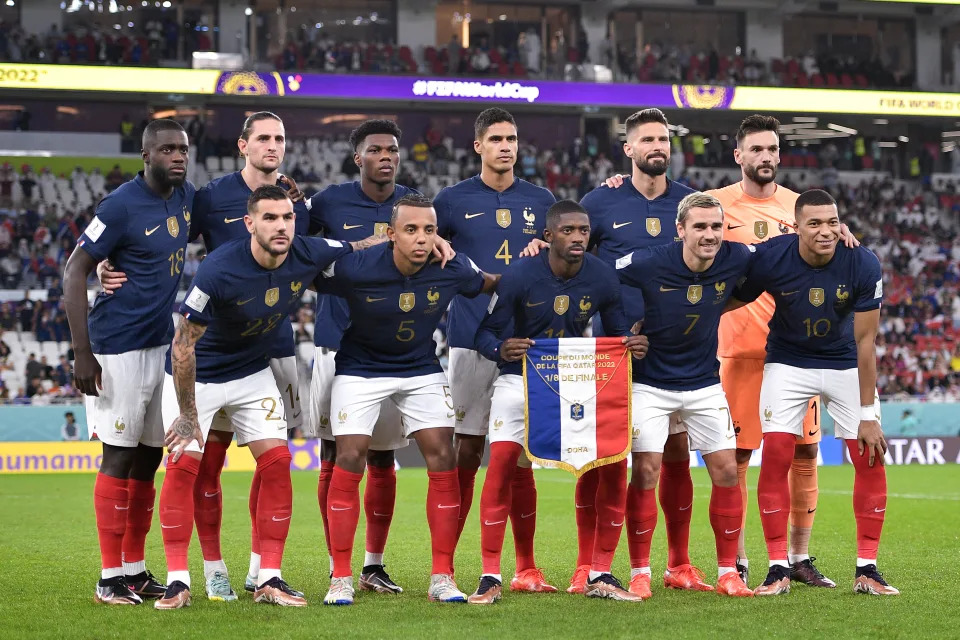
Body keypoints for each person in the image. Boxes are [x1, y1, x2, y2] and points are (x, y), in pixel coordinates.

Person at [98, 111, 309, 601]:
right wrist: (109, 262)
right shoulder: (209, 198)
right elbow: (161, 232)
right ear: (243, 145)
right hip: (211, 353)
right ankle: (209, 569)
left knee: (274, 459)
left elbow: (319, 251)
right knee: (203, 463)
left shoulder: (297, 200)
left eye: (280, 137)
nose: (272, 146)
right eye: (263, 138)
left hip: (274, 348)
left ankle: (262, 571)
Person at [154, 185, 360, 609]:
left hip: (252, 372)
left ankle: (270, 576)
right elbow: (182, 346)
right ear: (249, 223)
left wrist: (412, 238)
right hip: (200, 377)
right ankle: (178, 579)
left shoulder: (308, 250)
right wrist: (189, 415)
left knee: (279, 461)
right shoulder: (218, 268)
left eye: (287, 217)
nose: (281, 225)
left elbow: (361, 244)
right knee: (183, 463)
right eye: (270, 218)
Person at [535, 108, 703, 596]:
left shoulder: (690, 204)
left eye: (664, 139)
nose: (658, 146)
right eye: (647, 138)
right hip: (611, 351)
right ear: (627, 149)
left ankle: (679, 562)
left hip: (673, 352)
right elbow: (565, 254)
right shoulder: (600, 203)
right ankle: (589, 565)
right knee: (601, 459)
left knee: (674, 454)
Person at [318, 194, 499, 606]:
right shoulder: (357, 267)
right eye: (411, 229)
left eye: (429, 230)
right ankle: (341, 577)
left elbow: (491, 283)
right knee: (349, 458)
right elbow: (303, 273)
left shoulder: (450, 266)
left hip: (419, 367)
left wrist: (538, 260)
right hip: (359, 368)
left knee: (443, 456)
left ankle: (442, 575)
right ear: (390, 233)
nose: (421, 239)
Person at [471, 199, 648, 604]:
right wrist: (502, 348)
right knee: (501, 463)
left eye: (583, 231)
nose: (578, 238)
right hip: (519, 378)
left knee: (609, 460)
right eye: (568, 231)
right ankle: (490, 575)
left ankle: (600, 572)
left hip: (577, 378)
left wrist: (631, 343)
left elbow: (618, 332)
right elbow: (485, 334)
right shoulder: (519, 276)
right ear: (547, 236)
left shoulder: (602, 277)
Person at [729, 189, 897, 596]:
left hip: (844, 364)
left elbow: (866, 342)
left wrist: (868, 416)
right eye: (815, 223)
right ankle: (776, 568)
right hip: (787, 363)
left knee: (870, 457)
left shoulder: (861, 261)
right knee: (776, 457)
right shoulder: (772, 255)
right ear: (796, 226)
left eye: (832, 222)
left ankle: (867, 569)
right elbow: (732, 293)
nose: (826, 232)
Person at [63, 118, 193, 605]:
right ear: (147, 155)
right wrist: (82, 353)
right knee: (118, 456)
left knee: (148, 459)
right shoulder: (119, 206)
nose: (177, 157)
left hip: (160, 346)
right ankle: (108, 577)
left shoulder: (185, 197)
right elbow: (73, 272)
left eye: (182, 149)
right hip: (115, 347)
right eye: (167, 150)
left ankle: (134, 571)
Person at [433, 108, 557, 592]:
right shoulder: (451, 200)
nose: (506, 146)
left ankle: (525, 567)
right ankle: (447, 565)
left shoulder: (541, 199)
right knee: (467, 448)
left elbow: (564, 252)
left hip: (527, 343)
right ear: (478, 145)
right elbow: (427, 248)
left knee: (520, 454)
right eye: (497, 139)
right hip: (468, 340)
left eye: (513, 139)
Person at [708, 115, 833, 587]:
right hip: (738, 351)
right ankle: (737, 560)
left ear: (780, 154)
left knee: (806, 453)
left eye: (772, 149)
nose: (766, 157)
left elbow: (827, 256)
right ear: (738, 155)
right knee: (736, 458)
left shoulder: (801, 207)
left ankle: (798, 558)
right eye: (756, 149)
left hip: (798, 354)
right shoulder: (716, 205)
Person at [615, 191, 756, 598]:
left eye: (716, 226)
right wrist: (626, 326)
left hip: (704, 383)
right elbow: (602, 275)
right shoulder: (647, 261)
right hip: (650, 384)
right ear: (680, 230)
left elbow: (776, 257)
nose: (710, 235)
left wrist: (840, 231)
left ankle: (729, 571)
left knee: (727, 472)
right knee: (645, 472)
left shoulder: (737, 256)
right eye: (700, 226)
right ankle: (641, 571)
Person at [305, 119, 420, 595]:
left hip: (396, 350)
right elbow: (294, 247)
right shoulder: (328, 203)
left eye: (392, 149)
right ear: (359, 158)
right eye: (376, 150)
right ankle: (340, 567)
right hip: (337, 343)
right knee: (334, 453)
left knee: (384, 457)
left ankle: (373, 564)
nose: (386, 156)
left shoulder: (413, 204)